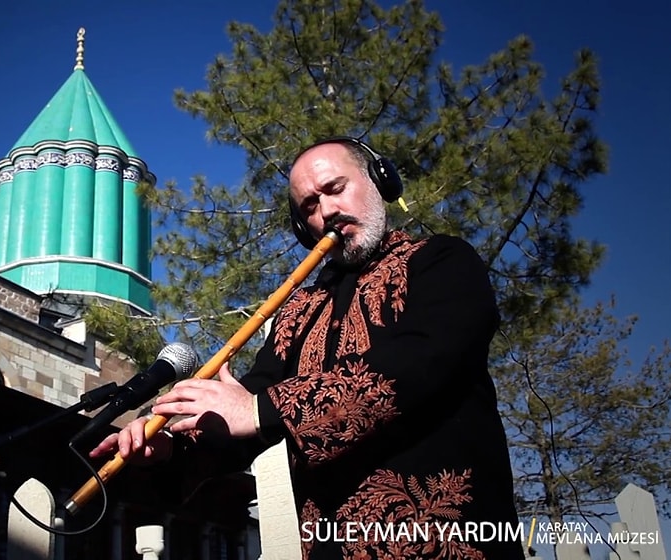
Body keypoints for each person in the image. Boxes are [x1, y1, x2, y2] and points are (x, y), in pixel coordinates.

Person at [91, 137, 524, 559]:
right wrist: (172, 447)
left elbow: (421, 363)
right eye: (310, 207)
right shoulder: (297, 313)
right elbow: (244, 414)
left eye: (336, 189)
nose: (328, 212)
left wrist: (259, 410)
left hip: (446, 541)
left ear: (380, 181)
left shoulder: (442, 261)